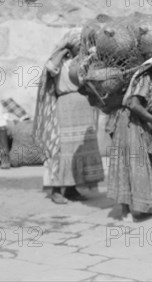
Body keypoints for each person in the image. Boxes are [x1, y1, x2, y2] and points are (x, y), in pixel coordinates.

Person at [107, 47, 152, 222]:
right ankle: (125, 209)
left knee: (150, 166)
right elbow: (133, 103)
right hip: (130, 123)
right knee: (131, 164)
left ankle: (145, 206)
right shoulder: (145, 78)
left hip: (146, 125)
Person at [33, 36, 105, 204]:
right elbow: (50, 68)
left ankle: (72, 188)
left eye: (82, 45)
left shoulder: (83, 62)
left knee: (79, 147)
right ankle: (56, 190)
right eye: (77, 45)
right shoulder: (60, 63)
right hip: (65, 106)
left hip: (84, 106)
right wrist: (63, 49)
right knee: (62, 147)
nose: (81, 47)